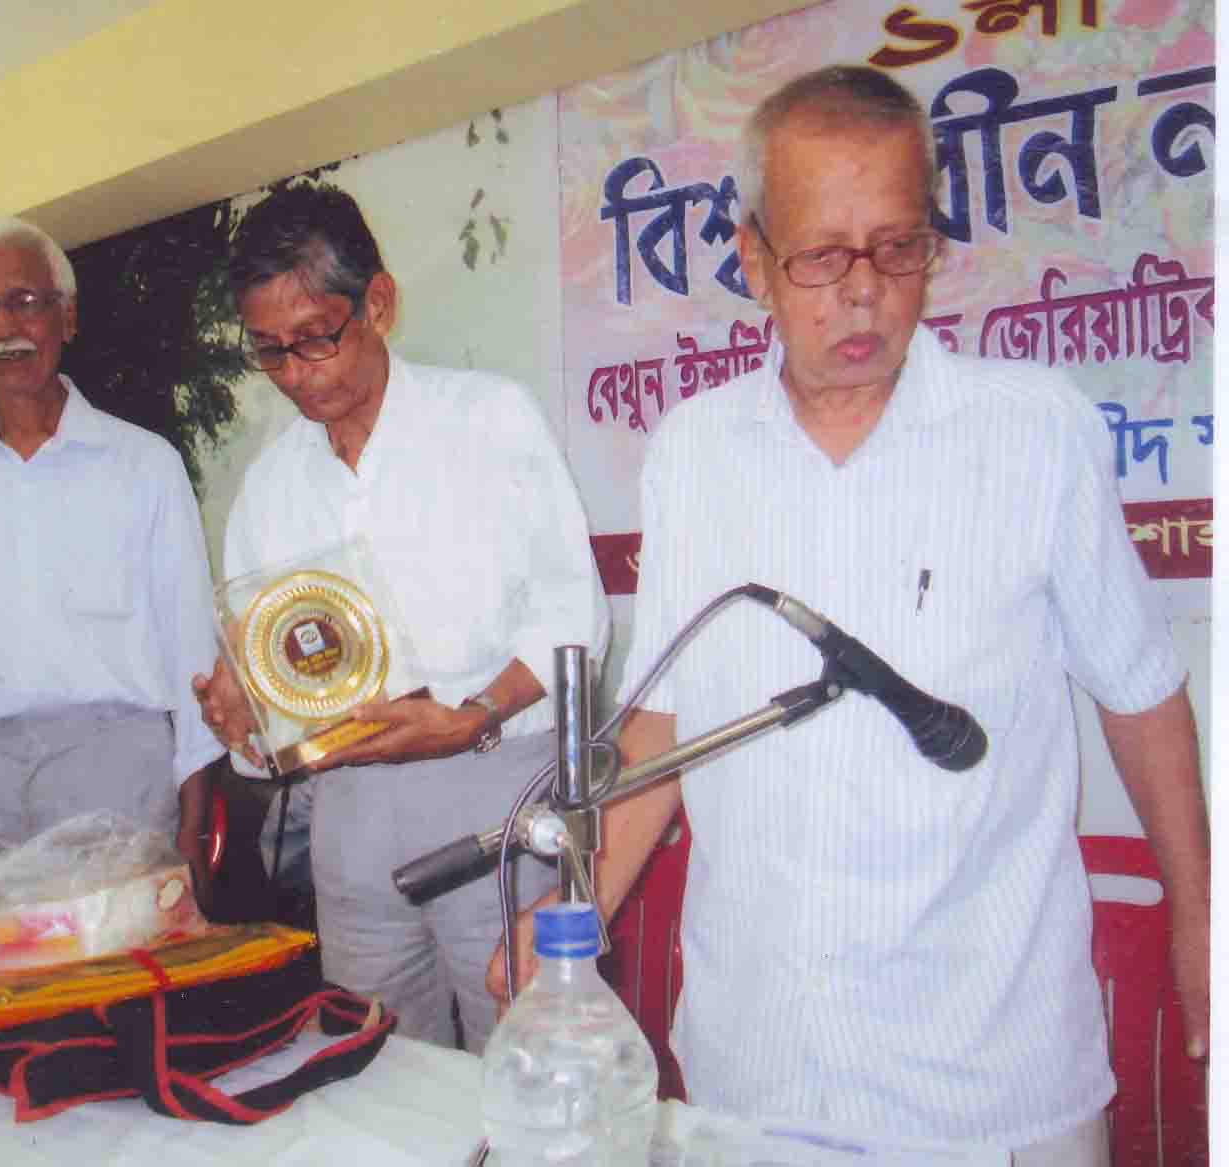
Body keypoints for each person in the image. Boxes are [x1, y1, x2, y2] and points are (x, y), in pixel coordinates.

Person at [492, 66, 1209, 1163]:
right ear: (753, 261)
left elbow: (1140, 692)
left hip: (993, 1078)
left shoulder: (1034, 433)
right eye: (822, 257)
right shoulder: (694, 452)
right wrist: (561, 930)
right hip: (756, 1067)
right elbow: (666, 728)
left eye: (897, 247)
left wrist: (1201, 916)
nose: (864, 290)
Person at [193, 184, 609, 1053]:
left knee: (527, 1053)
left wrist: (473, 716)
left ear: (377, 304)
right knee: (376, 1065)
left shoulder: (488, 419)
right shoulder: (270, 486)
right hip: (349, 818)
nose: (295, 372)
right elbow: (271, 681)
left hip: (494, 790)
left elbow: (574, 609)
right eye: (269, 351)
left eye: (315, 337)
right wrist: (245, 716)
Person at [0, 216, 223, 929]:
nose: (4, 326)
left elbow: (192, 647)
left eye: (26, 301)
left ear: (68, 316)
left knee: (108, 977)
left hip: (110, 769)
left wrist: (195, 827)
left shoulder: (143, 465)